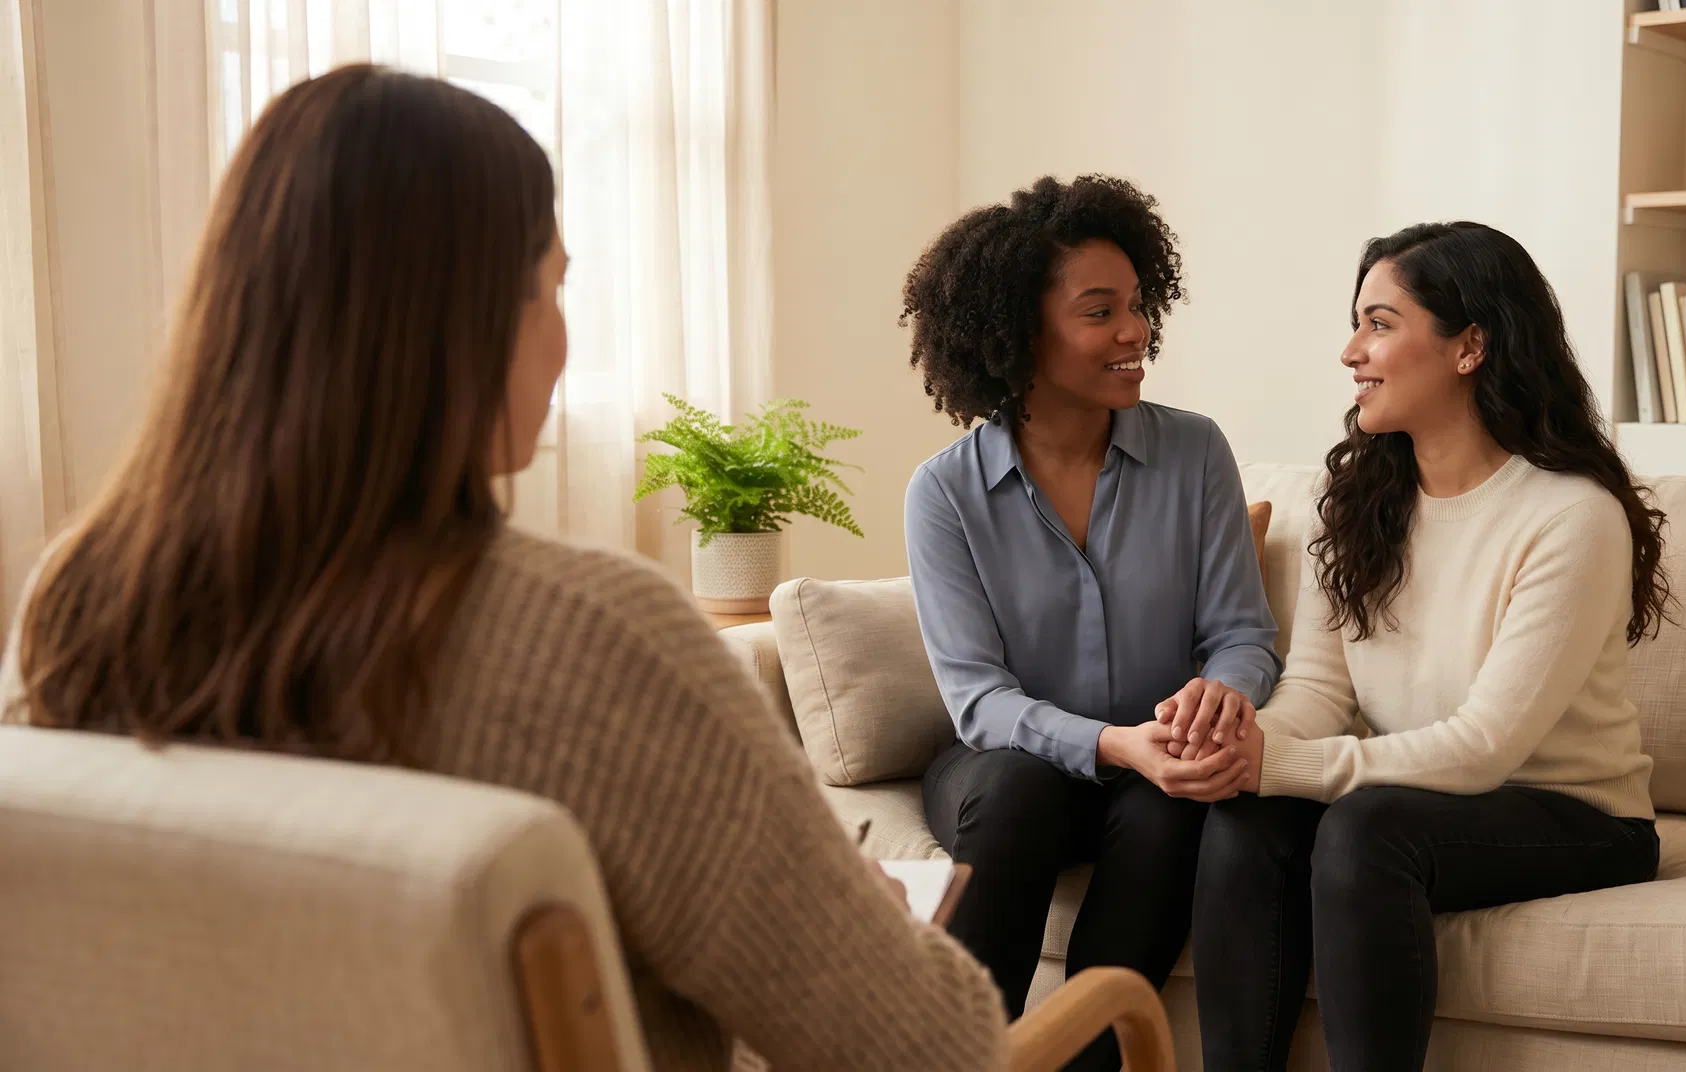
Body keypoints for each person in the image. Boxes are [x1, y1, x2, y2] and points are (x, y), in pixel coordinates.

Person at [0, 65, 1006, 1072]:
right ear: (461, 318)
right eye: (553, 285)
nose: (563, 336)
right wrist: (874, 930)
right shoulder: (592, 645)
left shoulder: (76, 598)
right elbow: (930, 1050)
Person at [1172, 220, 1671, 1071]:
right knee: (1249, 817)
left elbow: (1484, 750)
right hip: (1416, 797)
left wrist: (1281, 765)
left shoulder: (1570, 517)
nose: (1349, 351)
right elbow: (1320, 694)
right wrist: (1237, 748)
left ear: (1469, 345)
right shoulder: (1359, 496)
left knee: (1367, 829)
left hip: (1572, 813)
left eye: (1379, 323)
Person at [900, 174, 1281, 1070]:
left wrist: (1214, 702)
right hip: (1009, 769)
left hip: (1156, 766)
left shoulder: (1195, 452)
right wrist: (1118, 744)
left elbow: (1241, 631)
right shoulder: (946, 492)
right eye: (1099, 312)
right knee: (1022, 789)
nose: (1134, 332)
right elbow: (977, 699)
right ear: (1017, 333)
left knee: (1168, 812)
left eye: (1139, 306)